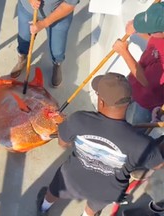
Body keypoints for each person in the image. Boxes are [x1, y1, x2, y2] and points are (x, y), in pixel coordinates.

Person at [36, 73, 164, 216]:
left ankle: (43, 207)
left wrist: (66, 126)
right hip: (107, 191)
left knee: (55, 188)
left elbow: (63, 143)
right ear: (128, 102)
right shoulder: (141, 143)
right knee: (95, 206)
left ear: (101, 102)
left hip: (72, 178)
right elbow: (158, 164)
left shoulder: (78, 119)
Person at [112, 2, 164, 125]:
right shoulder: (159, 35)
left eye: (150, 30)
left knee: (131, 127)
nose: (148, 33)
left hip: (145, 102)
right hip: (133, 82)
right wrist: (138, 30)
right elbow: (154, 40)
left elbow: (145, 81)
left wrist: (124, 52)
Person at [10, 0, 79, 87]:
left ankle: (57, 64)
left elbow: (69, 4)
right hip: (27, 9)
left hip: (58, 16)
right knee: (23, 39)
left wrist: (43, 24)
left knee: (57, 50)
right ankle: (22, 60)